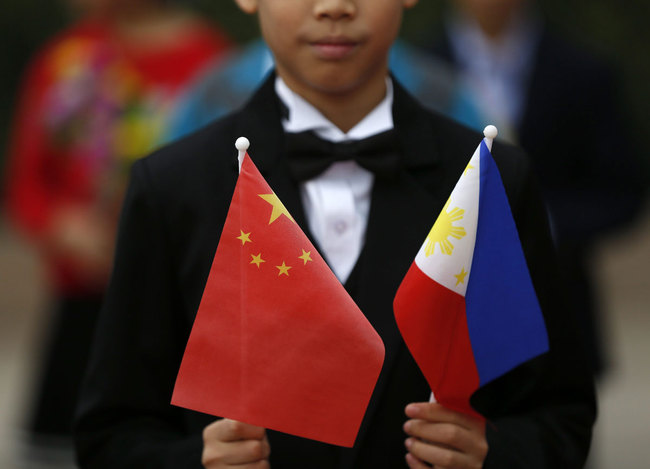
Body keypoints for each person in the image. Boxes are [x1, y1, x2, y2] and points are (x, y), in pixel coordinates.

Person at [74, 1, 596, 468]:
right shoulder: (174, 188)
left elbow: (560, 412)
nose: (334, 7)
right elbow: (110, 432)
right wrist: (196, 461)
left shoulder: (488, 178)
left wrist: (495, 454)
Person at [3, 0, 230, 460]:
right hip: (80, 311)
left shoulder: (216, 68)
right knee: (59, 451)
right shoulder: (68, 57)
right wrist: (60, 225)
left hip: (176, 316)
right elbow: (26, 183)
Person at [424, 0, 646, 378]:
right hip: (442, 320)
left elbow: (623, 191)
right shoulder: (413, 68)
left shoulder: (585, 71)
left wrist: (547, 224)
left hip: (556, 320)